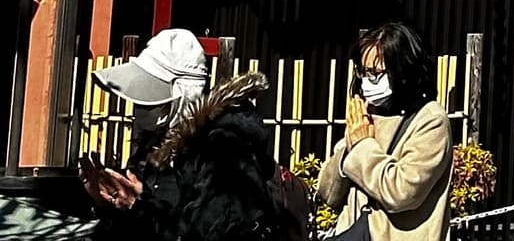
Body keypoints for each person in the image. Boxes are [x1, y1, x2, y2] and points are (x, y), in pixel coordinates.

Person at [80, 29, 306, 241]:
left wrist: (138, 206)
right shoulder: (154, 145)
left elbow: (211, 232)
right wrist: (106, 201)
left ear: (182, 92)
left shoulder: (223, 149)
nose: (141, 107)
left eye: (151, 95)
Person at [314, 23, 452, 241]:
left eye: (376, 73)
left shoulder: (430, 120)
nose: (368, 81)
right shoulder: (367, 114)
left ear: (403, 70)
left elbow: (402, 192)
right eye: (363, 72)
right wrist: (346, 153)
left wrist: (362, 147)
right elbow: (328, 193)